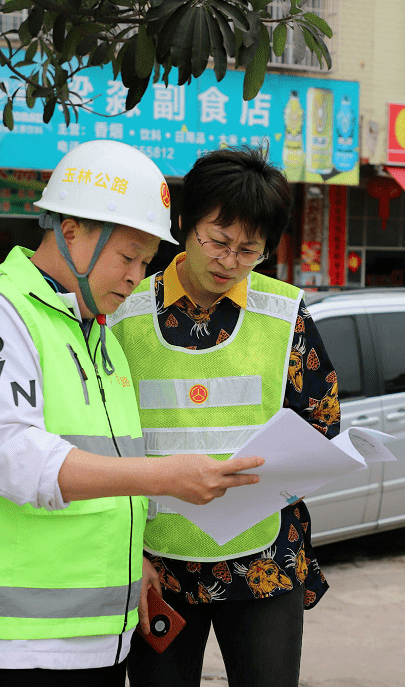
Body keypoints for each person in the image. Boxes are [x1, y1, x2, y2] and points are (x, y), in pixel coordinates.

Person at [0, 140, 264, 687]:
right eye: (126, 256)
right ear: (70, 229)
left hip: (100, 636)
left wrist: (133, 562)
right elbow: (16, 461)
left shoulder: (93, 333)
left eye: (146, 262)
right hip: (16, 641)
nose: (135, 276)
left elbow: (103, 479)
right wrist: (167, 477)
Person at [110, 147, 338, 687]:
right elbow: (100, 440)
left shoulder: (284, 314)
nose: (229, 261)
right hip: (155, 562)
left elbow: (320, 423)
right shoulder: (123, 311)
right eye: (217, 241)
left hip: (261, 558)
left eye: (248, 250)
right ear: (185, 225)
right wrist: (124, 553)